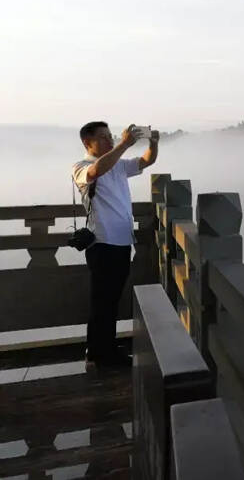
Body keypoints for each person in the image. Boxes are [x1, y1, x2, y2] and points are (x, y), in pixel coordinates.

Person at [72, 122, 159, 368]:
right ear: (87, 143)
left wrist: (153, 142)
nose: (109, 140)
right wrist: (123, 144)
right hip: (102, 243)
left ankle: (104, 347)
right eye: (103, 137)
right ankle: (100, 353)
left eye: (110, 136)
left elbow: (146, 161)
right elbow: (95, 172)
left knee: (111, 300)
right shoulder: (82, 166)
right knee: (102, 301)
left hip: (122, 241)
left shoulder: (119, 165)